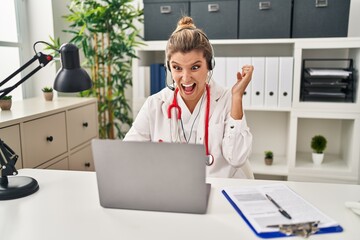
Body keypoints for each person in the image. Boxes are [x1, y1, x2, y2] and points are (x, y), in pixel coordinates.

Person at [124, 16, 254, 178]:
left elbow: (237, 158)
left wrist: (237, 97)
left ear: (209, 65)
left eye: (195, 67)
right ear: (169, 68)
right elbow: (128, 155)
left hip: (220, 190)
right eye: (177, 68)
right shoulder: (155, 104)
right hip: (174, 192)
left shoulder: (228, 99)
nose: (185, 78)